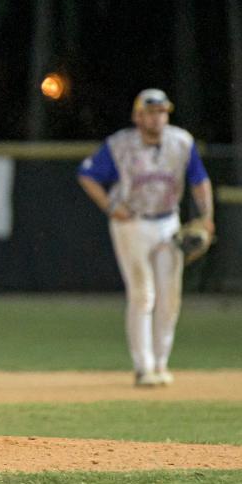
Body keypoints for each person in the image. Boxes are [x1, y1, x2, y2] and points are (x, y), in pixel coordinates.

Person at [77, 89, 214, 387]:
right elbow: (86, 174)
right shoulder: (120, 145)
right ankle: (144, 367)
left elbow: (199, 181)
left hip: (167, 223)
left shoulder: (181, 142)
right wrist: (111, 205)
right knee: (143, 294)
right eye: (151, 112)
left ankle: (161, 362)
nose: (158, 117)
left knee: (170, 296)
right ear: (137, 116)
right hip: (132, 224)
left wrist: (206, 216)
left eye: (162, 111)